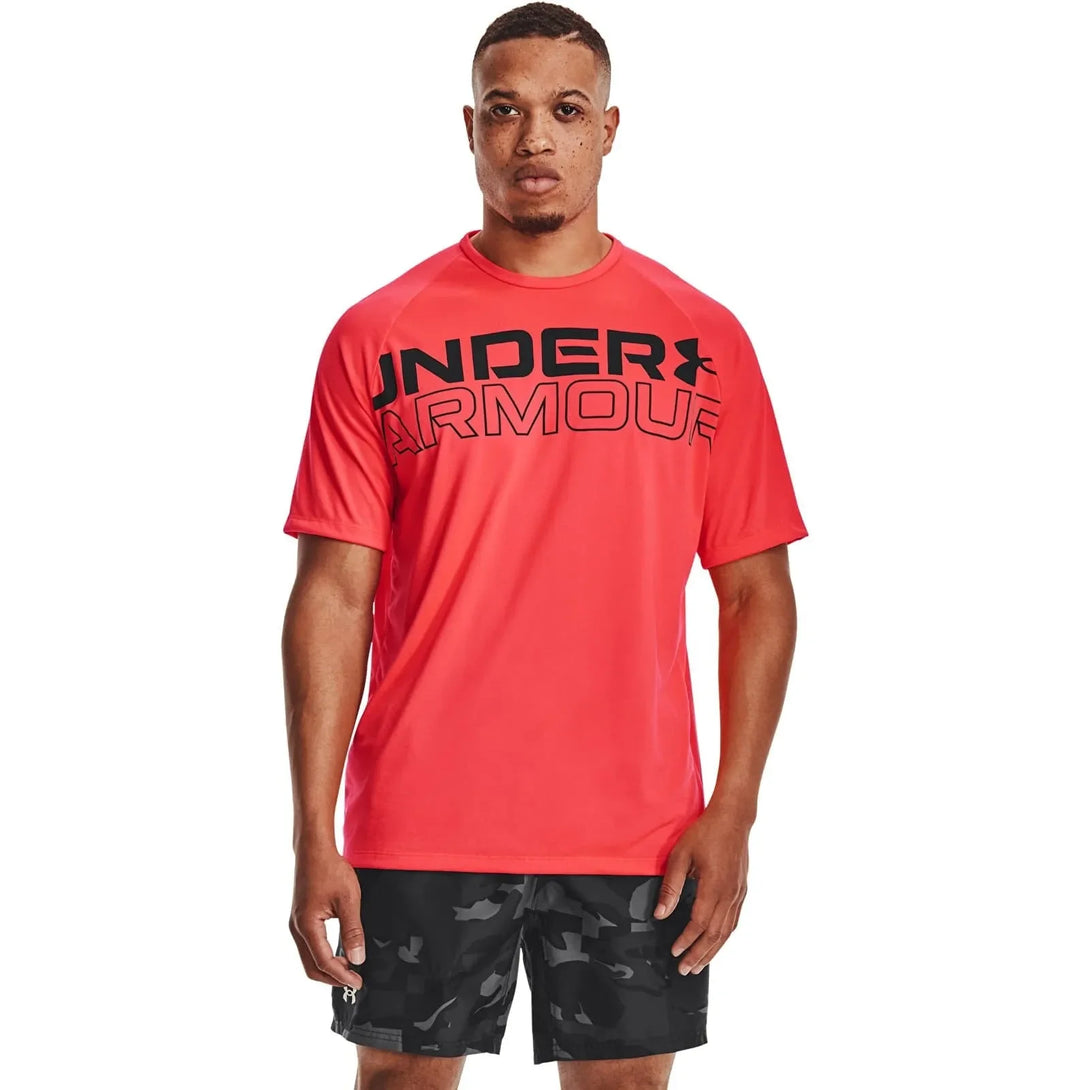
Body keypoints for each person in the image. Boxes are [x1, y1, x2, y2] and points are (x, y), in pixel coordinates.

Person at [281, 4, 808, 1087]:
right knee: (397, 1083)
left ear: (608, 129)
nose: (534, 138)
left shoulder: (702, 338)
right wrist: (311, 831)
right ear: (468, 128)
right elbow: (333, 594)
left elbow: (756, 590)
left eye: (566, 110)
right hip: (421, 819)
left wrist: (735, 810)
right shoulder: (378, 334)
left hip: (641, 830)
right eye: (504, 110)